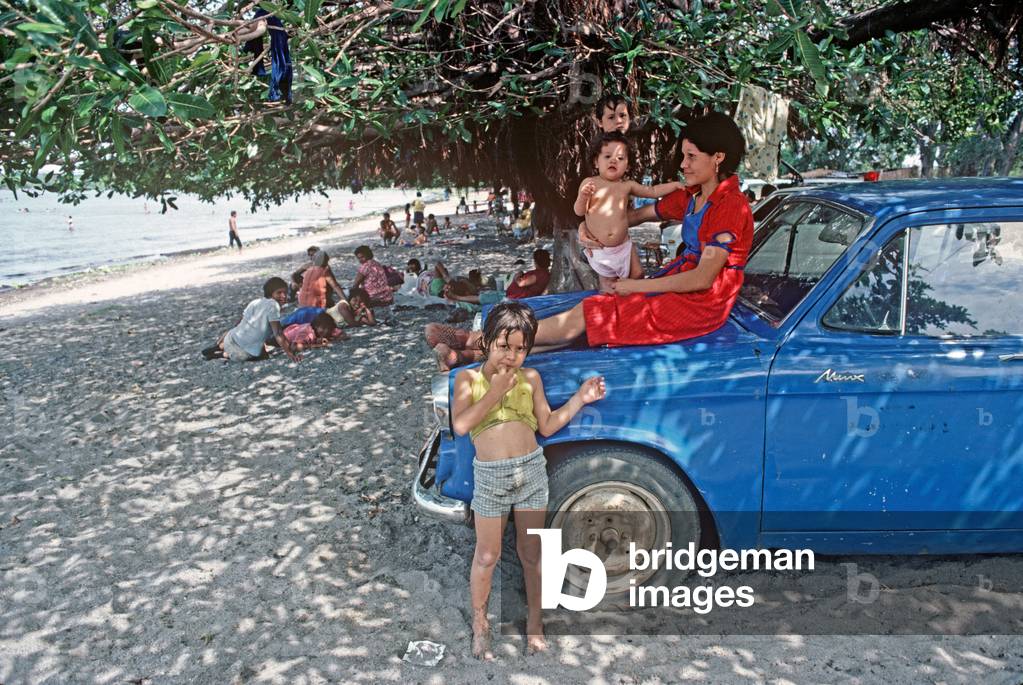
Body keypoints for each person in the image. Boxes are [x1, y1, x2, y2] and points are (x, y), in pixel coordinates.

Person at [451, 303, 606, 659]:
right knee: (487, 555)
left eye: (521, 349)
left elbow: (547, 425)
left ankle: (535, 626)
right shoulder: (468, 380)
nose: (512, 356)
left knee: (532, 553)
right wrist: (494, 392)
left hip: (531, 472)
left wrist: (580, 399)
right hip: (490, 477)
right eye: (504, 347)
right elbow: (461, 426)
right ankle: (481, 625)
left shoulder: (530, 379)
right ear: (487, 342)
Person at [531, 112, 753, 352]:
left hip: (702, 304)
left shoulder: (730, 205)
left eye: (691, 157)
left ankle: (495, 341)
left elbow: (702, 278)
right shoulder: (691, 195)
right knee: (593, 309)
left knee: (593, 313)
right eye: (683, 156)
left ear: (718, 157)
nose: (682, 165)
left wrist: (637, 287)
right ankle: (503, 346)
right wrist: (587, 227)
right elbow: (634, 217)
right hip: (679, 285)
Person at [575, 132, 684, 291]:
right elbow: (579, 211)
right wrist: (583, 196)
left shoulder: (627, 186)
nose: (614, 160)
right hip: (601, 251)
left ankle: (632, 310)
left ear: (628, 165)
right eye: (607, 156)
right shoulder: (590, 183)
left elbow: (652, 191)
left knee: (638, 275)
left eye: (620, 158)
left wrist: (674, 185)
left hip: (624, 246)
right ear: (596, 162)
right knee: (608, 287)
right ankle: (609, 310)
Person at [203, 277, 301, 362]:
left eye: (285, 292)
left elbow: (240, 321)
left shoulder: (255, 302)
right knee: (260, 356)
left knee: (236, 333)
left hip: (230, 338)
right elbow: (278, 333)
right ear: (270, 294)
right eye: (279, 293)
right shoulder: (273, 306)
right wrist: (290, 353)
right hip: (241, 353)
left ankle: (218, 346)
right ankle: (220, 355)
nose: (283, 296)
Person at [283, 311, 348, 351]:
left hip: (294, 328)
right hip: (283, 336)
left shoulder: (327, 330)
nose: (326, 331)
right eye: (323, 328)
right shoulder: (307, 333)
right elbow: (295, 347)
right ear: (316, 326)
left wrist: (331, 340)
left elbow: (343, 335)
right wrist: (318, 345)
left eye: (328, 328)